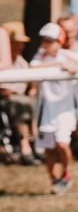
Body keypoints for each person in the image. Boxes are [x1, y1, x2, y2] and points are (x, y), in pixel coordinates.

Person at [30, 23, 78, 193]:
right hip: (46, 111)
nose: (46, 43)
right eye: (44, 39)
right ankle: (53, 178)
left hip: (65, 110)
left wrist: (75, 67)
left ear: (59, 41)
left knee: (62, 144)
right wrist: (56, 64)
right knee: (49, 149)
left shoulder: (69, 56)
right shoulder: (40, 57)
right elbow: (32, 67)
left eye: (50, 40)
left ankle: (66, 173)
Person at [0, 22, 41, 165]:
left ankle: (38, 144)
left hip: (20, 97)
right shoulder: (4, 62)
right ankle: (26, 148)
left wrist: (33, 88)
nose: (22, 46)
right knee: (20, 106)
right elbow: (4, 91)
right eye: (18, 43)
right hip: (7, 98)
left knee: (33, 103)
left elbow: (31, 77)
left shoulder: (19, 60)